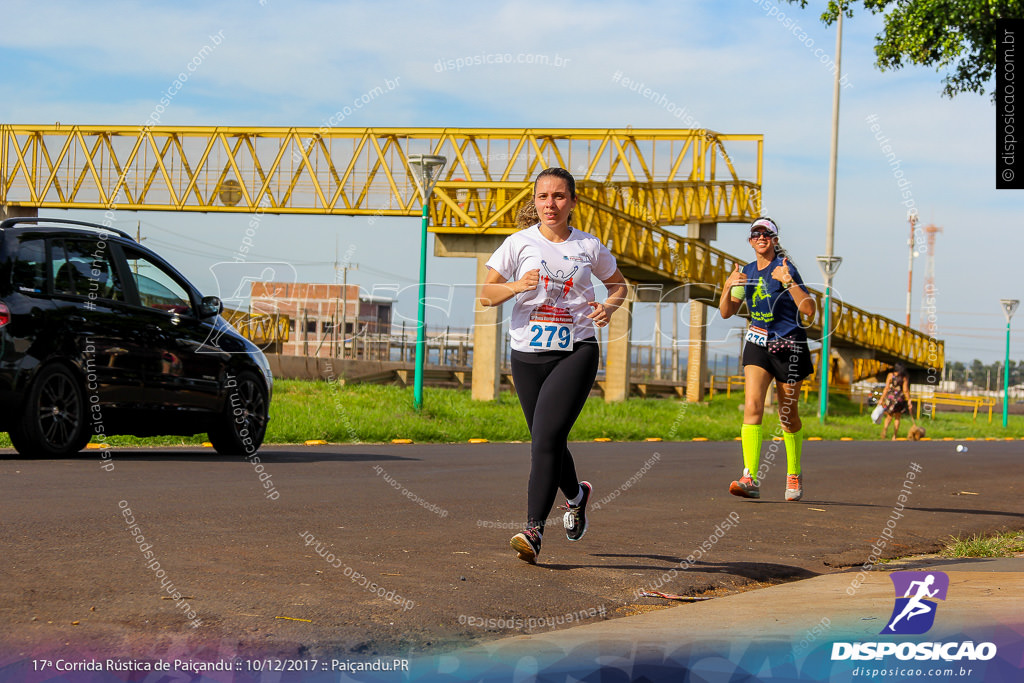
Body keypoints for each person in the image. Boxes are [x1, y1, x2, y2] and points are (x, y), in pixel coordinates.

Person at [479, 167, 627, 564]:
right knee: (548, 440)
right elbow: (486, 295)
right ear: (535, 201)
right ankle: (577, 497)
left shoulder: (589, 246)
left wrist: (608, 307)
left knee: (544, 440)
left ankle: (533, 530)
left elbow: (619, 285)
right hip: (527, 354)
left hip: (576, 350)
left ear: (573, 202)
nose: (550, 204)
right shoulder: (517, 243)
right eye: (543, 196)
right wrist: (515, 286)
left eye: (559, 196)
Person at [719, 217, 816, 501]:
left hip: (790, 346)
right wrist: (728, 286)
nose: (761, 237)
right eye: (756, 234)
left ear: (774, 240)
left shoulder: (786, 269)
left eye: (767, 234)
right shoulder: (746, 272)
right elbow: (727, 312)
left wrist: (789, 283)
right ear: (750, 241)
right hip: (758, 343)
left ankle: (794, 473)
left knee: (788, 416)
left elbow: (809, 310)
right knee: (752, 405)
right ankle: (749, 476)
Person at [879, 363, 912, 439]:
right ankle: (894, 436)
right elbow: (905, 390)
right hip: (899, 399)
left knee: (889, 416)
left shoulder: (890, 375)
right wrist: (909, 400)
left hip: (890, 398)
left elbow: (886, 388)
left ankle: (884, 430)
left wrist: (881, 399)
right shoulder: (904, 377)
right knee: (897, 418)